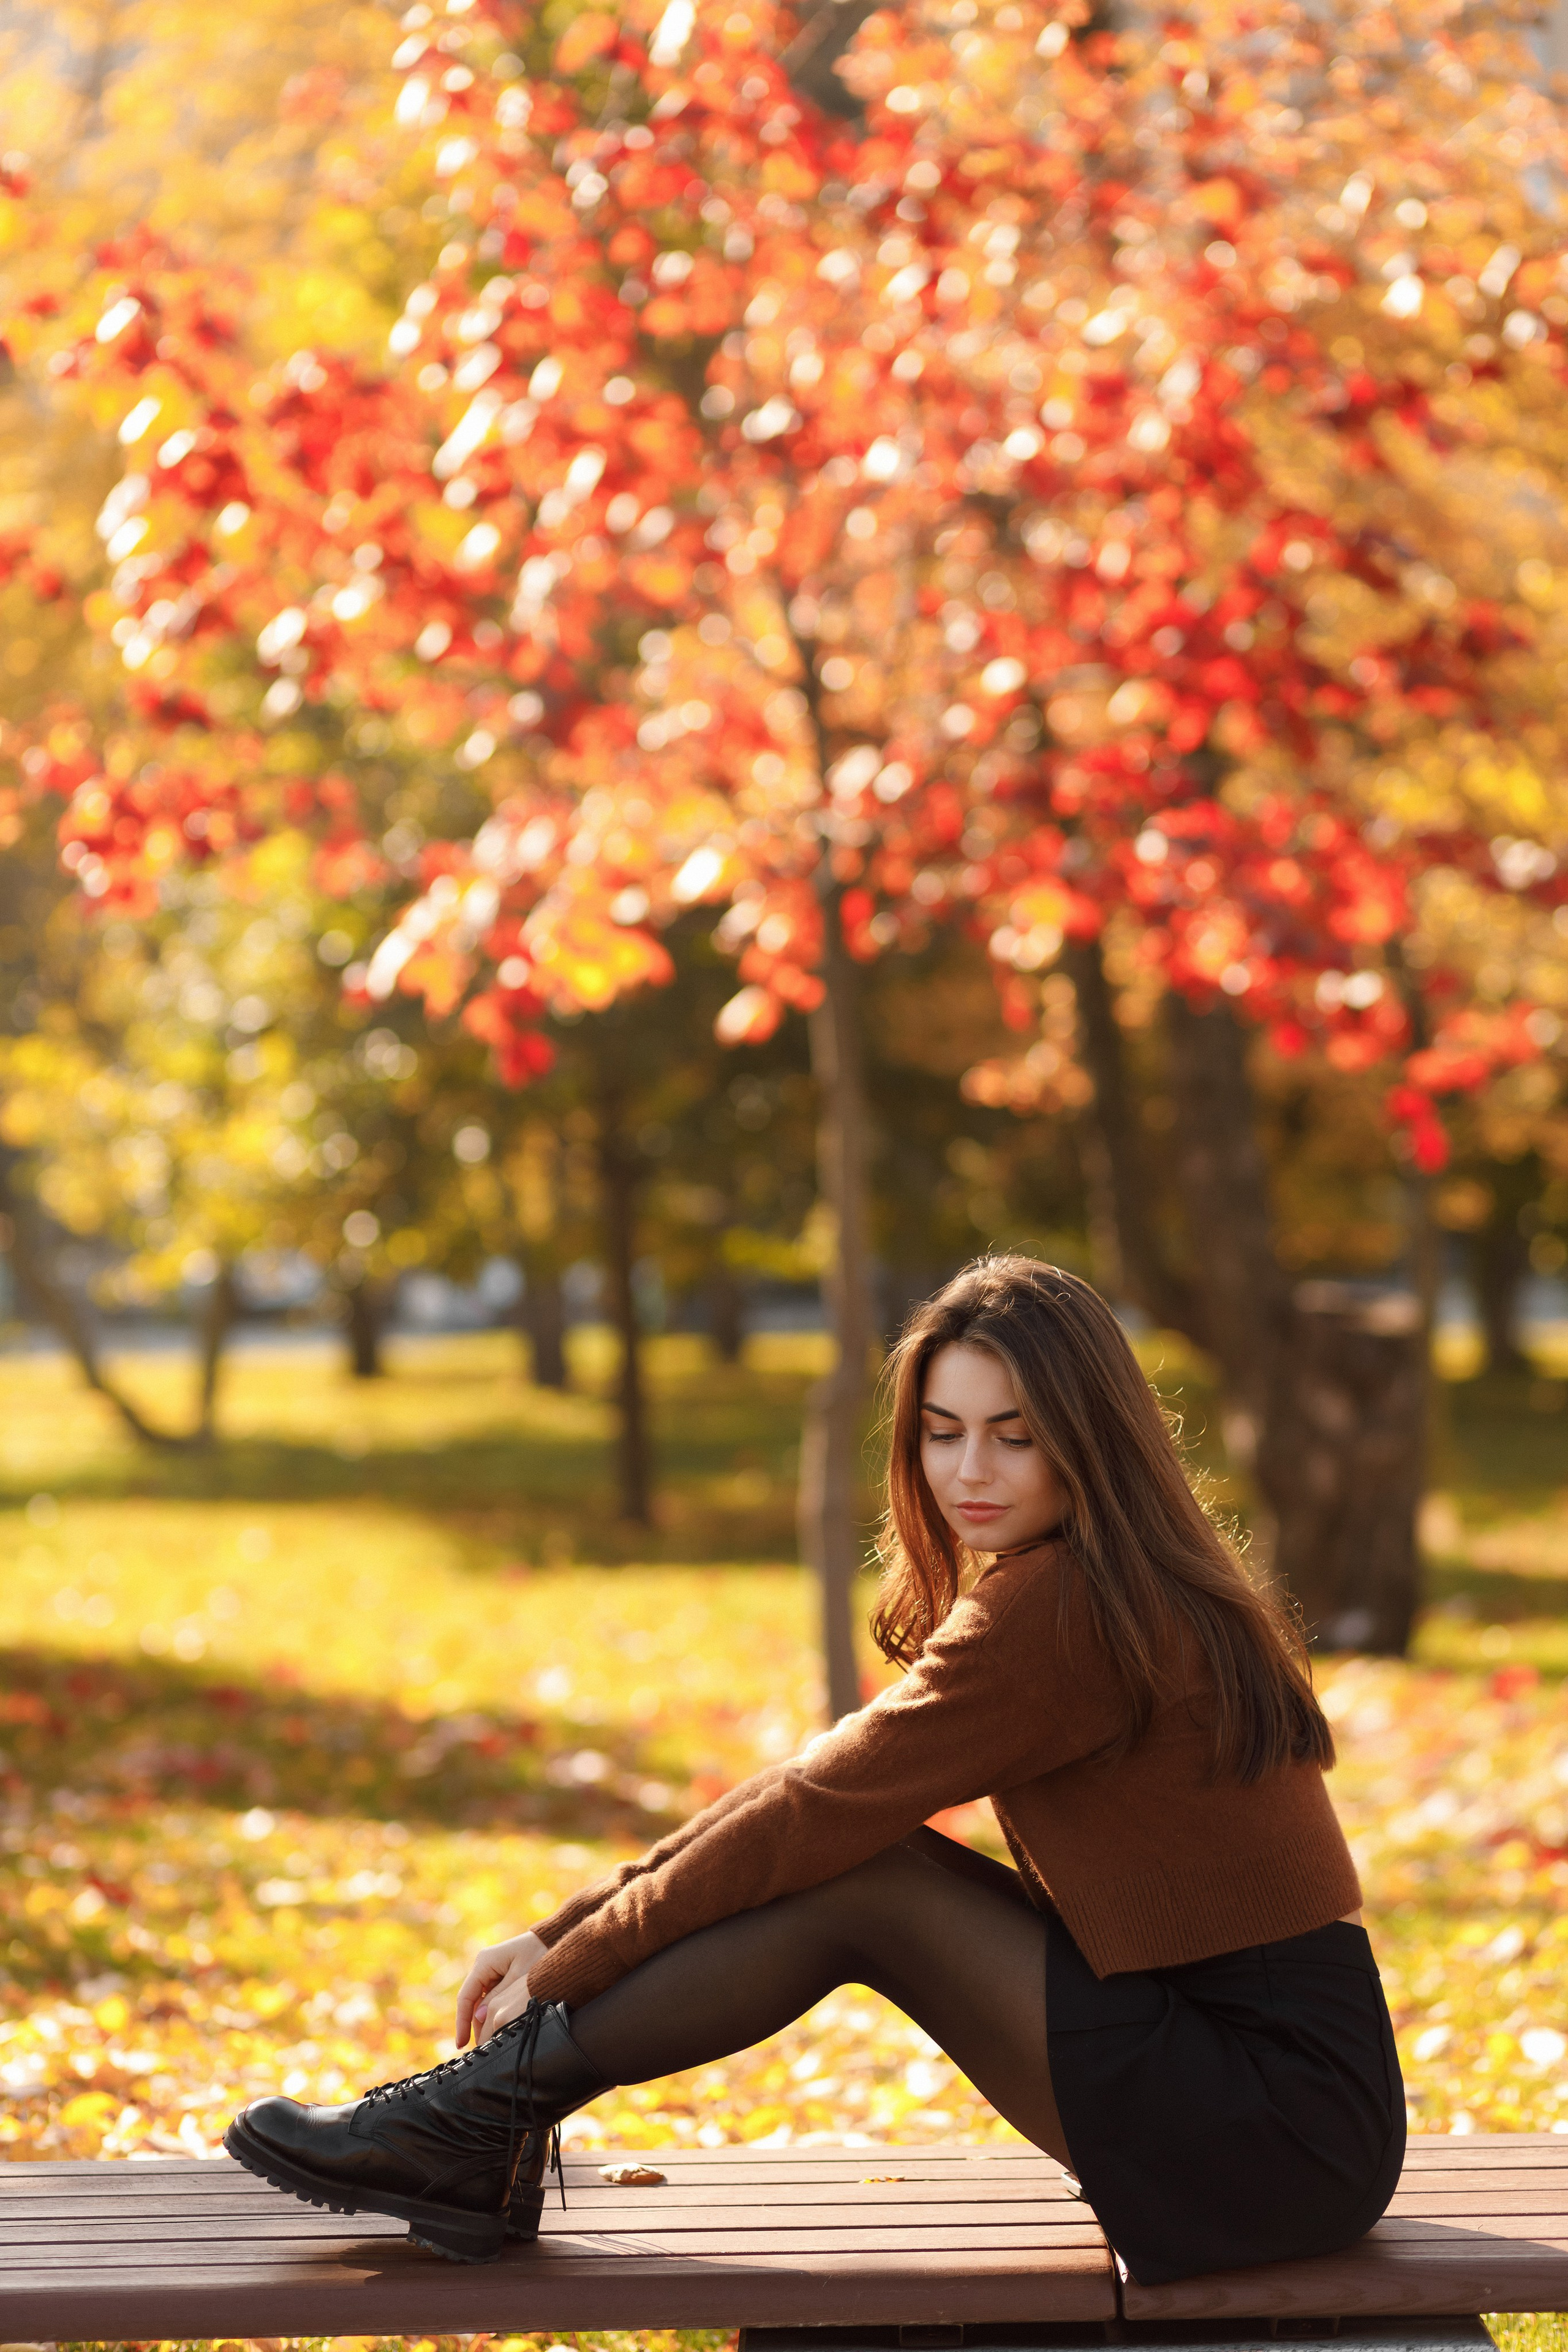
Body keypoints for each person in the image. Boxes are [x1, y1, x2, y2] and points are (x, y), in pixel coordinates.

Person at [226, 1254, 1404, 2275]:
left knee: (862, 1875)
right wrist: (569, 1929)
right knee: (868, 1859)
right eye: (942, 1432)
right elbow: (816, 1789)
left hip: (1272, 2129)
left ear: (1087, 1440)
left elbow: (812, 1810)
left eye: (1015, 1434)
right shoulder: (1108, 1574)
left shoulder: (1067, 1608)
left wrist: (571, 1955)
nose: (968, 1473)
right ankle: (479, 2123)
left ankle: (474, 2122)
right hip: (1288, 2102)